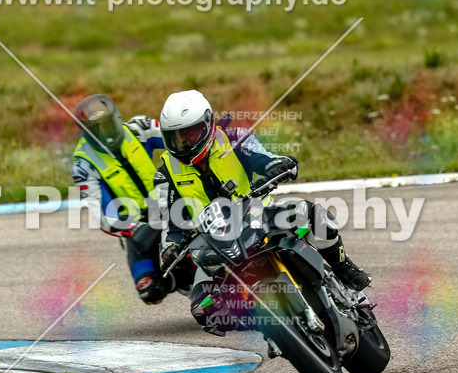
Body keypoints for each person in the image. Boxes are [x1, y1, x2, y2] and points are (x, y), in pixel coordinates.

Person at [153, 90, 371, 335]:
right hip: (216, 241)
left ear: (207, 125)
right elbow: (169, 224)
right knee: (203, 308)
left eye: (189, 133)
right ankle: (272, 327)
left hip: (257, 214)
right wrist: (170, 247)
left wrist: (275, 165)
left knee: (312, 215)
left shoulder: (235, 138)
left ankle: (344, 269)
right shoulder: (165, 175)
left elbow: (261, 158)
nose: (183, 142)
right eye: (176, 137)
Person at [70, 94, 181, 304]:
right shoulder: (83, 166)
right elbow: (102, 216)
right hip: (137, 230)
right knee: (151, 292)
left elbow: (178, 137)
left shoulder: (140, 128)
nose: (106, 135)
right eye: (96, 130)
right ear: (85, 133)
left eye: (109, 125)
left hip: (173, 206)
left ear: (117, 117)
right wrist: (131, 227)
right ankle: (177, 280)